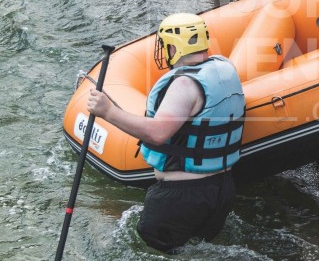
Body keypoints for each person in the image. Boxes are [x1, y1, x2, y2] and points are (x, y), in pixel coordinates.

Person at [87, 13, 245, 253]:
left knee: (148, 253)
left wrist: (107, 111)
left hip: (181, 198)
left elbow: (159, 133)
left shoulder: (184, 84)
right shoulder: (224, 69)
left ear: (174, 46)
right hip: (222, 189)